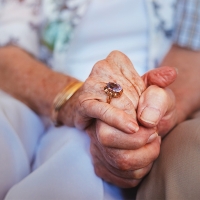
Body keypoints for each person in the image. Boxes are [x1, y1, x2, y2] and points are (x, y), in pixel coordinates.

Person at [0, 0, 199, 200]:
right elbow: (6, 46)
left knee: (75, 164)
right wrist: (75, 98)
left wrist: (153, 109)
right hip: (36, 86)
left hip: (142, 96)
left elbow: (192, 52)